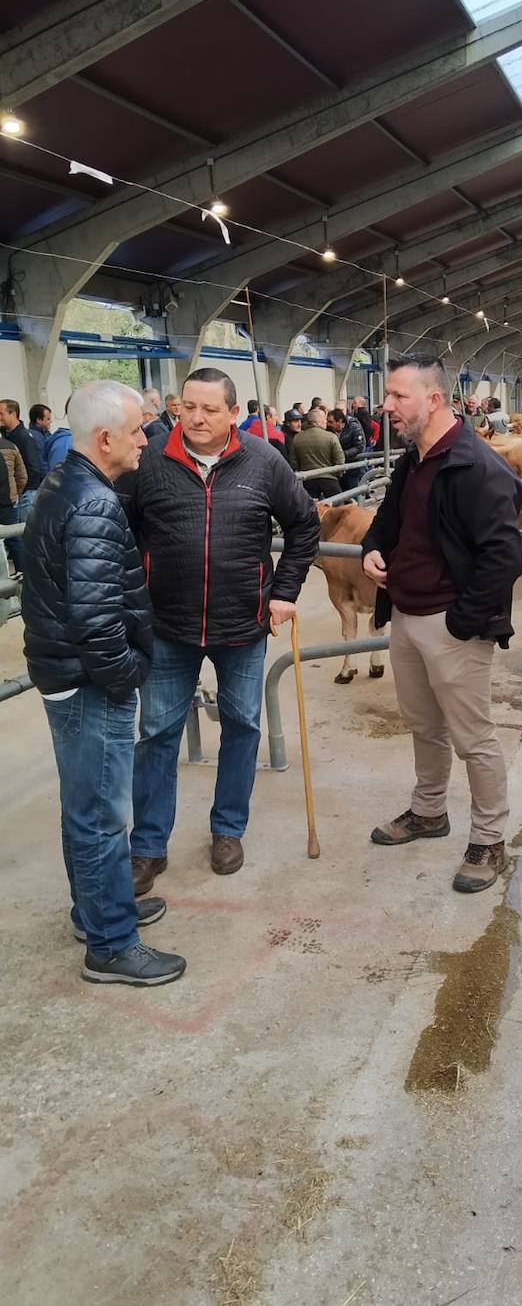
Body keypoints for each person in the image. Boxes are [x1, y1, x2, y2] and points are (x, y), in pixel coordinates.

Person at [120, 367, 319, 892]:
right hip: (168, 626)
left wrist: (284, 593)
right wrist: (135, 593)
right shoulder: (152, 461)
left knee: (242, 727)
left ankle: (228, 829)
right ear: (177, 407)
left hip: (243, 626)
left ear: (234, 413)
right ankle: (147, 846)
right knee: (157, 734)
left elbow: (304, 526)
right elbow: (123, 530)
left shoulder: (264, 460)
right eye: (189, 407)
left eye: (210, 409)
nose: (197, 417)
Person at [21, 380, 186, 986]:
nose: (146, 439)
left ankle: (99, 909)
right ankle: (112, 943)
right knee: (100, 813)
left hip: (69, 675)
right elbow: (94, 618)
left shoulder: (65, 485)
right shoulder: (92, 503)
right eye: (138, 429)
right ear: (106, 438)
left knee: (85, 807)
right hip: (91, 684)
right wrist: (126, 678)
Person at [362, 355, 522, 894]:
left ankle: (489, 839)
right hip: (406, 615)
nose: (386, 407)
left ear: (433, 400)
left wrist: (462, 622)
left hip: (450, 624)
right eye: (387, 396)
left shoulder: (478, 466)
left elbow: (505, 556)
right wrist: (371, 550)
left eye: (397, 397)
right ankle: (429, 811)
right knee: (423, 725)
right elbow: (390, 522)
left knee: (472, 736)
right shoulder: (415, 459)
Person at [0, 398, 45, 521]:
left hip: (26, 495)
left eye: (1, 414)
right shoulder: (8, 436)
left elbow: (33, 468)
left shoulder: (23, 438)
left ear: (13, 414)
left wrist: (19, 492)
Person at [287, 406, 345, 498]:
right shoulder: (331, 437)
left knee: (311, 508)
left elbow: (294, 463)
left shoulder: (297, 438)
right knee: (338, 507)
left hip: (308, 479)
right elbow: (340, 460)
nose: (326, 422)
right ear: (317, 421)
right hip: (329, 478)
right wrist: (338, 475)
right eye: (324, 419)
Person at [0, 436, 27, 572]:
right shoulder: (11, 446)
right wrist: (15, 494)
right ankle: (23, 576)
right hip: (8, 502)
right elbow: (22, 476)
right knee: (14, 540)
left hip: (8, 500)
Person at [327, 406, 366, 489]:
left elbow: (359, 446)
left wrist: (343, 454)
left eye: (331, 422)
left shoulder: (354, 427)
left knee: (352, 492)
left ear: (340, 422)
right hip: (336, 469)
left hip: (352, 468)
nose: (328, 424)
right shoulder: (329, 430)